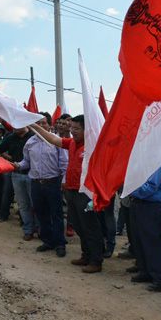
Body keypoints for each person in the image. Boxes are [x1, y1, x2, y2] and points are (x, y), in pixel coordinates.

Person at [30, 115, 104, 273]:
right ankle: (86, 255)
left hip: (86, 193)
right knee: (78, 225)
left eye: (76, 129)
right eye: (72, 128)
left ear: (87, 130)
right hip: (71, 191)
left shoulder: (94, 145)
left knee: (90, 226)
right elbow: (53, 139)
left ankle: (96, 261)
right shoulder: (71, 143)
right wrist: (34, 126)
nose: (72, 131)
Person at [15, 112, 68, 257]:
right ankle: (48, 241)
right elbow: (26, 162)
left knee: (56, 214)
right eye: (38, 123)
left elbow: (64, 163)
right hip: (36, 183)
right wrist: (17, 165)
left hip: (53, 182)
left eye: (44, 123)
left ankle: (59, 243)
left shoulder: (57, 141)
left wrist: (63, 181)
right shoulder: (30, 142)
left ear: (50, 125)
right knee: (41, 213)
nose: (40, 126)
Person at [129, 164, 161, 292]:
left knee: (152, 242)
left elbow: (151, 187)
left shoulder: (158, 162)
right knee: (139, 239)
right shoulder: (143, 159)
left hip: (151, 205)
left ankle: (160, 277)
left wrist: (130, 189)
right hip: (138, 203)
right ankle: (145, 271)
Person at [0, 126, 35, 237]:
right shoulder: (11, 137)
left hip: (32, 175)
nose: (15, 126)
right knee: (22, 204)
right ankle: (28, 230)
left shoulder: (33, 137)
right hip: (16, 174)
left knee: (35, 204)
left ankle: (40, 229)